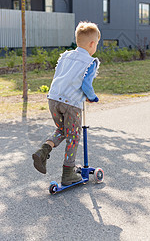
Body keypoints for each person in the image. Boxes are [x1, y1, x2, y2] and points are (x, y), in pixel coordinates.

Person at [32, 21, 101, 185]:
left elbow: (59, 76)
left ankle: (43, 151)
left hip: (53, 99)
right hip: (71, 103)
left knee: (63, 129)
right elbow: (86, 85)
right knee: (73, 136)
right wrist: (92, 97)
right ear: (92, 44)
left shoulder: (65, 55)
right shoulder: (90, 62)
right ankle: (68, 173)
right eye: (96, 44)